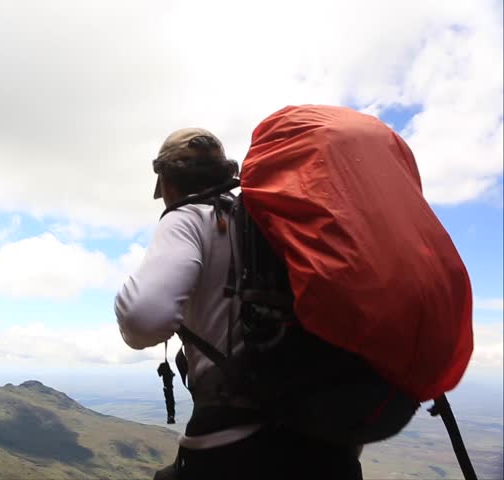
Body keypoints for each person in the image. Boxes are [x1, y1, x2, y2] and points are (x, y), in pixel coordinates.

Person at [114, 128, 364, 480]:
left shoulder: (188, 217)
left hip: (233, 449)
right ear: (226, 175)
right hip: (328, 446)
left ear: (167, 184)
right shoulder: (276, 224)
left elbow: (143, 319)